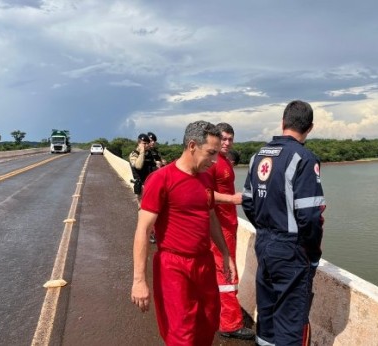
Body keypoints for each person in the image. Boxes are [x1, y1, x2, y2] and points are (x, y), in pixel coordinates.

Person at [131, 120, 237, 346]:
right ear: (192, 146)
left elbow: (210, 219)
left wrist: (226, 255)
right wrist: (139, 280)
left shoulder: (206, 178)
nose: (214, 160)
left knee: (207, 325)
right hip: (174, 266)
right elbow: (143, 230)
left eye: (217, 154)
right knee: (181, 334)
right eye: (210, 153)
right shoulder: (161, 179)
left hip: (204, 262)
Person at [242, 100, 326, 346]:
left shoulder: (258, 156)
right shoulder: (304, 158)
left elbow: (248, 202)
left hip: (265, 243)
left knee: (266, 316)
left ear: (283, 122)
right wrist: (311, 254)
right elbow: (310, 216)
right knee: (290, 323)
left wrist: (265, 229)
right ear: (310, 128)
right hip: (290, 251)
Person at [206, 123, 255, 340]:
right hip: (220, 226)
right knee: (225, 272)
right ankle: (230, 323)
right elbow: (203, 193)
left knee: (224, 270)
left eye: (230, 139)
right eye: (223, 139)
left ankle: (221, 315)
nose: (227, 143)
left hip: (229, 224)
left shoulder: (224, 160)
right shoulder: (212, 162)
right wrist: (232, 199)